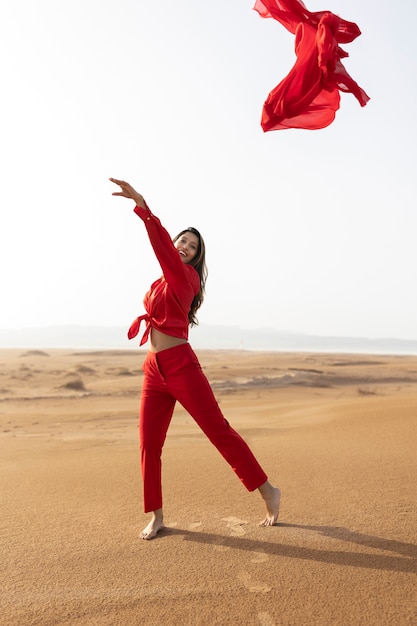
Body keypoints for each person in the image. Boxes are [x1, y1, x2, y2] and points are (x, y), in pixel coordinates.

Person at [110, 178, 281, 540]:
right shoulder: (160, 282)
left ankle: (268, 490)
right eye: (182, 241)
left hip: (182, 367)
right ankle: (156, 516)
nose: (185, 246)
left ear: (195, 256)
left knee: (218, 431)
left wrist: (143, 207)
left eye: (192, 245)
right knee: (148, 444)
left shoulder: (185, 277)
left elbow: (162, 251)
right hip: (153, 370)